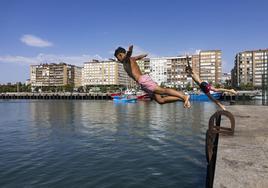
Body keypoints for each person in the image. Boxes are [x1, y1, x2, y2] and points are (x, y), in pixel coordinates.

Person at [114, 45, 191, 108]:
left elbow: (128, 55)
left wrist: (130, 51)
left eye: (118, 58)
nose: (118, 60)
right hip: (142, 83)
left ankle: (184, 96)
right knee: (160, 101)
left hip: (143, 80)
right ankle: (182, 99)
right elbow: (137, 57)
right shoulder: (129, 60)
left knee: (162, 90)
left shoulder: (126, 59)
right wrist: (142, 55)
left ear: (120, 55)